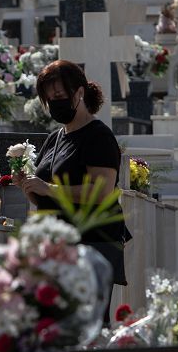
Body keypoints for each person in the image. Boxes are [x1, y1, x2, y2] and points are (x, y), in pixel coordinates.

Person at [14, 60, 132, 287]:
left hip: (91, 244)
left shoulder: (98, 136)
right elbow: (47, 199)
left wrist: (48, 188)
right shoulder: (54, 139)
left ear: (79, 92)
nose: (55, 103)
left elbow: (101, 192)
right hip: (55, 245)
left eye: (59, 96)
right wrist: (29, 187)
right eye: (50, 99)